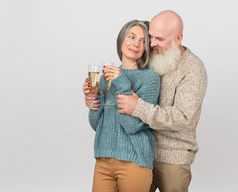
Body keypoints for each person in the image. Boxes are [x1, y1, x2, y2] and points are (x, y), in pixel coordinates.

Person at [116, 10, 208, 192]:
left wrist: (138, 108)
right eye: (150, 37)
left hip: (173, 158)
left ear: (178, 38)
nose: (151, 43)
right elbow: (126, 83)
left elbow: (183, 118)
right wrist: (96, 98)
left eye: (159, 39)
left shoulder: (193, 69)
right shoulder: (149, 57)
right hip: (140, 151)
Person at [82, 20, 160, 192]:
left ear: (147, 48)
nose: (136, 44)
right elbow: (98, 125)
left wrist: (121, 82)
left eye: (143, 41)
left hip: (134, 161)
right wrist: (94, 98)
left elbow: (132, 126)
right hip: (104, 158)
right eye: (132, 36)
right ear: (121, 39)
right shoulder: (105, 76)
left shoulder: (150, 78)